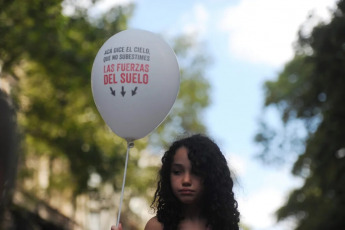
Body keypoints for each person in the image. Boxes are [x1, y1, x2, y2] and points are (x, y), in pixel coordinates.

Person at [111, 134, 240, 230]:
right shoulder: (156, 227)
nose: (186, 180)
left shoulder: (224, 226)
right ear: (168, 175)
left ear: (212, 176)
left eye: (196, 172)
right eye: (177, 172)